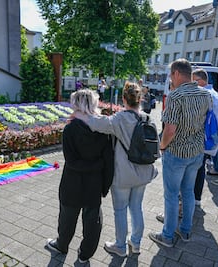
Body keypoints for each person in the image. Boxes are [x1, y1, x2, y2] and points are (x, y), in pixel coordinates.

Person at [74, 81, 158, 257]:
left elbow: (96, 124)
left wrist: (79, 113)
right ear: (140, 99)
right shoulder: (147, 118)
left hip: (124, 175)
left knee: (120, 210)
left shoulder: (120, 118)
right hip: (143, 173)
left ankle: (120, 246)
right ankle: (135, 244)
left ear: (123, 99)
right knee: (137, 208)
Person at [46, 89, 114, 263]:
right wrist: (104, 186)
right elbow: (109, 162)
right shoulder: (103, 129)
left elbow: (71, 161)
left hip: (72, 182)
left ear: (76, 104)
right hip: (94, 183)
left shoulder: (70, 129)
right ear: (93, 104)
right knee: (93, 222)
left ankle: (61, 245)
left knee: (67, 217)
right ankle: (85, 255)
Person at [149, 58, 210, 247]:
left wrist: (161, 147)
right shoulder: (205, 95)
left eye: (170, 75)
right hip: (196, 152)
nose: (170, 79)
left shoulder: (176, 96)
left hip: (177, 154)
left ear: (176, 73)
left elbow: (169, 130)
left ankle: (167, 235)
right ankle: (184, 230)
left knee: (172, 194)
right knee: (188, 192)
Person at [192, 69, 218, 206]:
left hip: (202, 141)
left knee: (195, 172)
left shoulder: (204, 94)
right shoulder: (216, 95)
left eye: (193, 81)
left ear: (200, 81)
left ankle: (192, 201)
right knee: (200, 170)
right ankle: (196, 199)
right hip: (211, 141)